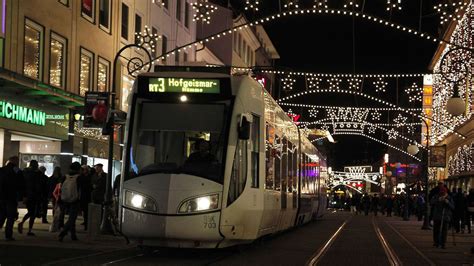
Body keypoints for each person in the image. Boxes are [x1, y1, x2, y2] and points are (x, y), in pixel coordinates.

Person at [0, 156, 23, 241]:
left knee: (1, 215)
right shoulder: (17, 171)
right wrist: (21, 197)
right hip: (11, 197)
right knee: (10, 217)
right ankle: (8, 235)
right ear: (16, 162)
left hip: (1, 197)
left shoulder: (1, 170)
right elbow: (20, 185)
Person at [58, 162, 82, 242]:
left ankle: (73, 235)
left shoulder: (65, 176)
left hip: (65, 199)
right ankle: (63, 232)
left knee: (72, 218)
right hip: (75, 199)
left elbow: (60, 188)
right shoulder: (79, 177)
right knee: (72, 217)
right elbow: (81, 189)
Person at [18, 160, 42, 236]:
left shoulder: (25, 172)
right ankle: (26, 226)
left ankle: (28, 228)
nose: (37, 166)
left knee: (31, 212)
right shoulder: (35, 173)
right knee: (32, 213)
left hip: (28, 195)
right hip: (33, 195)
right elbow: (36, 185)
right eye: (37, 164)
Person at [431, 185, 454, 249]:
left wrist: (448, 202)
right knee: (436, 231)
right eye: (441, 192)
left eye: (443, 192)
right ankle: (436, 242)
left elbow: (452, 207)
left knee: (444, 231)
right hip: (437, 217)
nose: (442, 193)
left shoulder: (449, 198)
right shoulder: (436, 196)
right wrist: (438, 200)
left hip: (445, 217)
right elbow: (431, 202)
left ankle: (443, 243)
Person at [79, 165, 92, 231]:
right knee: (85, 210)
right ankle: (86, 223)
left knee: (86, 210)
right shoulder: (85, 177)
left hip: (86, 196)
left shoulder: (82, 177)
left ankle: (86, 224)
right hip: (85, 196)